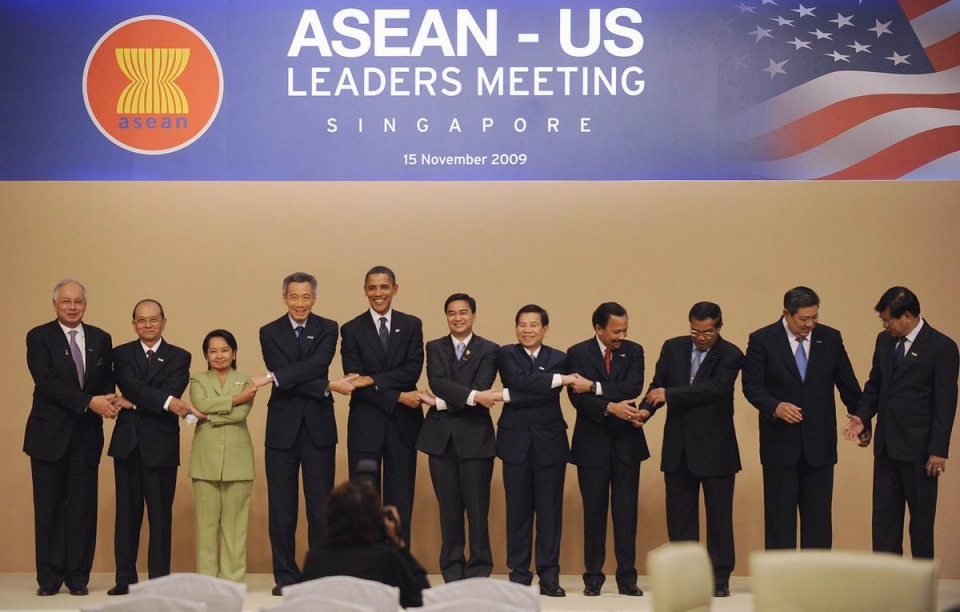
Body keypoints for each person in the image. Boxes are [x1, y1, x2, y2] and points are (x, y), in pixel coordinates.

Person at [254, 272, 356, 595]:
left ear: (314, 297)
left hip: (318, 430)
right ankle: (285, 576)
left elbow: (316, 365)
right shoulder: (269, 331)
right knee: (282, 510)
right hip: (282, 432)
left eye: (306, 297)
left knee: (320, 509)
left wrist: (274, 377)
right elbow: (309, 373)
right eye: (294, 297)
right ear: (285, 298)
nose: (300, 303)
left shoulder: (328, 327)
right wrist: (327, 385)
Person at [742, 287, 863, 551]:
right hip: (779, 446)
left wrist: (862, 418)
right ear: (786, 313)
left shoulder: (830, 338)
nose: (810, 324)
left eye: (814, 317)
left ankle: (816, 585)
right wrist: (775, 406)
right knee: (779, 522)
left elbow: (848, 384)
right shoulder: (762, 339)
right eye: (803, 319)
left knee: (818, 522)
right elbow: (751, 386)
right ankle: (779, 586)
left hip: (819, 446)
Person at [843, 286, 959, 558]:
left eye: (888, 320)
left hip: (921, 452)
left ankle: (920, 589)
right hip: (886, 448)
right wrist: (862, 417)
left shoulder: (942, 347)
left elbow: (946, 402)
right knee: (883, 522)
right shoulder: (884, 341)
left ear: (907, 316)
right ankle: (887, 586)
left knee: (920, 525)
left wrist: (938, 450)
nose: (885, 326)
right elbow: (875, 385)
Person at [640, 302, 744, 598]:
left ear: (719, 327)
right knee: (680, 516)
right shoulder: (673, 348)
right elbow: (657, 385)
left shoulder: (731, 354)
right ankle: (685, 575)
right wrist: (646, 411)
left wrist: (669, 394)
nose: (701, 337)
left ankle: (719, 577)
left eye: (707, 332)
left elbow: (716, 388)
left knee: (719, 517)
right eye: (695, 331)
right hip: (679, 447)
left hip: (717, 448)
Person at [24, 279, 118, 597]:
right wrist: (89, 401)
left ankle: (78, 577)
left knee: (82, 508)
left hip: (86, 436)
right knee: (48, 508)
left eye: (78, 301)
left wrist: (110, 400)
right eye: (66, 301)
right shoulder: (39, 337)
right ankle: (49, 579)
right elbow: (46, 381)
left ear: (85, 305)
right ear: (55, 305)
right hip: (48, 436)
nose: (73, 306)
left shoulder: (101, 339)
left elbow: (106, 380)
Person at [108, 299, 192, 595]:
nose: (147, 325)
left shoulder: (180, 356)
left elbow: (170, 392)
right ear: (134, 324)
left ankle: (159, 582)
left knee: (160, 516)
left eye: (153, 319)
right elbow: (129, 385)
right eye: (141, 320)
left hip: (161, 447)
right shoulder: (121, 353)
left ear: (163, 322)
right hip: (128, 445)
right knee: (126, 516)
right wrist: (163, 403)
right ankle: (125, 580)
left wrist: (136, 402)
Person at [497, 304, 581, 597]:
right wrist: (559, 380)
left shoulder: (560, 357)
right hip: (515, 443)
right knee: (517, 513)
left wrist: (510, 396)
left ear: (545, 329)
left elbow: (537, 391)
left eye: (533, 325)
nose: (527, 330)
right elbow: (518, 381)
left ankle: (549, 577)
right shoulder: (506, 354)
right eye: (522, 324)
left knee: (549, 513)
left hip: (550, 444)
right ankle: (519, 577)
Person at [416, 293, 500, 582]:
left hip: (476, 441)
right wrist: (473, 397)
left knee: (477, 511)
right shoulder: (435, 346)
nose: (458, 318)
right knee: (448, 511)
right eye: (452, 313)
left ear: (474, 315)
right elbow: (437, 381)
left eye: (463, 313)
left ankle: (478, 570)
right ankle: (452, 570)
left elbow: (482, 386)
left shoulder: (490, 349)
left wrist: (439, 402)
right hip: (441, 441)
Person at [567, 302, 647, 597]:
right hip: (592, 445)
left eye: (625, 329)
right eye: (616, 331)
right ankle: (593, 577)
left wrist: (594, 387)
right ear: (599, 329)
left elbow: (632, 387)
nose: (621, 335)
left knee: (626, 514)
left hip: (627, 445)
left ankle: (627, 577)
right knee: (594, 513)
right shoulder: (577, 353)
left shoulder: (634, 350)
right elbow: (577, 398)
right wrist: (609, 406)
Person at [340, 266, 425, 541]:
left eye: (384, 287)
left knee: (400, 501)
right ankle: (366, 566)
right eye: (372, 288)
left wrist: (371, 378)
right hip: (366, 425)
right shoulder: (351, 329)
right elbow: (355, 383)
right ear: (365, 291)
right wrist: (398, 395)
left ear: (395, 289)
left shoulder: (412, 324)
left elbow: (411, 372)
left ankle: (397, 564)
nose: (379, 293)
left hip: (403, 426)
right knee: (362, 503)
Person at [187, 329, 263, 581]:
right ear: (206, 356)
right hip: (204, 461)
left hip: (238, 462)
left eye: (224, 350)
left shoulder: (246, 380)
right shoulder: (197, 380)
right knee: (206, 528)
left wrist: (208, 417)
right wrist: (235, 400)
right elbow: (200, 403)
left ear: (234, 352)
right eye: (212, 351)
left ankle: (233, 582)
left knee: (235, 529)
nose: (219, 355)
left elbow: (240, 415)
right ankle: (206, 582)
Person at [301, 480, 430, 608]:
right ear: (376, 518)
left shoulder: (315, 559)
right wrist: (400, 544)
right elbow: (422, 599)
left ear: (330, 516)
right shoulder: (385, 558)